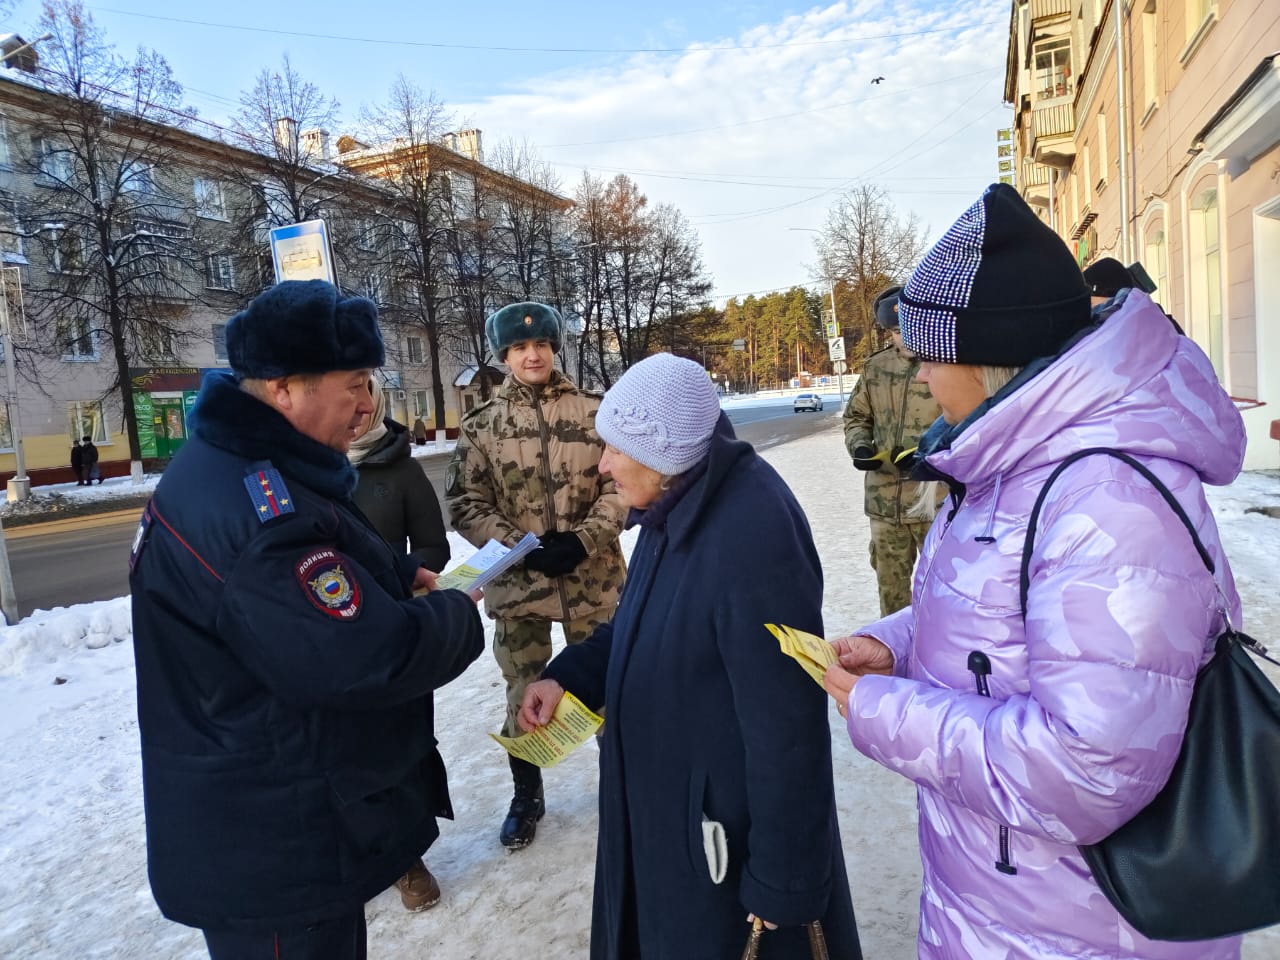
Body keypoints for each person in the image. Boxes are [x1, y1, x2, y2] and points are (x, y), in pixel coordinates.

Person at [822, 184, 1246, 960]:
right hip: (1005, 904)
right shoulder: (1008, 460)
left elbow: (1089, 769)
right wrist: (898, 646)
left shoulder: (1108, 504)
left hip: (1086, 925)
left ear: (986, 357)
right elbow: (997, 618)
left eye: (928, 356)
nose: (917, 377)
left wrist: (885, 712)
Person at [130, 280, 485, 960]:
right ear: (285, 386)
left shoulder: (241, 467)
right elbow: (366, 658)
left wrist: (388, 575)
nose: (367, 404)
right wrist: (453, 612)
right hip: (276, 848)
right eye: (353, 383)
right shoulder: (261, 510)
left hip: (266, 821)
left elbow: (299, 607)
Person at [518, 353, 861, 960]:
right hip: (669, 818)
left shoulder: (751, 532)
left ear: (664, 451)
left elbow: (789, 728)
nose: (603, 466)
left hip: (720, 845)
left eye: (616, 450)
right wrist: (568, 678)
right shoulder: (672, 504)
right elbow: (642, 624)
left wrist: (784, 884)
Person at [446, 301, 626, 850]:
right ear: (504, 357)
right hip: (518, 589)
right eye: (521, 348)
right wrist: (519, 548)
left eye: (542, 345)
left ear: (555, 349)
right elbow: (464, 501)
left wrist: (581, 539)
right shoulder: (483, 426)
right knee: (523, 692)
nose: (533, 355)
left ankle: (623, 786)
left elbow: (622, 487)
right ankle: (527, 795)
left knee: (611, 689)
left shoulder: (596, 413)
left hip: (591, 583)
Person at [841, 284, 942, 615]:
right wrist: (860, 447)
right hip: (885, 506)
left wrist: (930, 456)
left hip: (934, 503)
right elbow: (856, 417)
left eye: (907, 329)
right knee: (892, 599)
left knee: (941, 595)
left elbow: (968, 425)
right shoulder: (875, 369)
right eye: (895, 331)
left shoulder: (944, 365)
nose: (902, 338)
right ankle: (898, 662)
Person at [350, 383, 450, 575]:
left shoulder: (405, 470)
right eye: (347, 400)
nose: (355, 412)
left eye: (363, 404)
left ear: (376, 407)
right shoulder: (309, 467)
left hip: (386, 600)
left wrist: (401, 573)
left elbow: (434, 548)